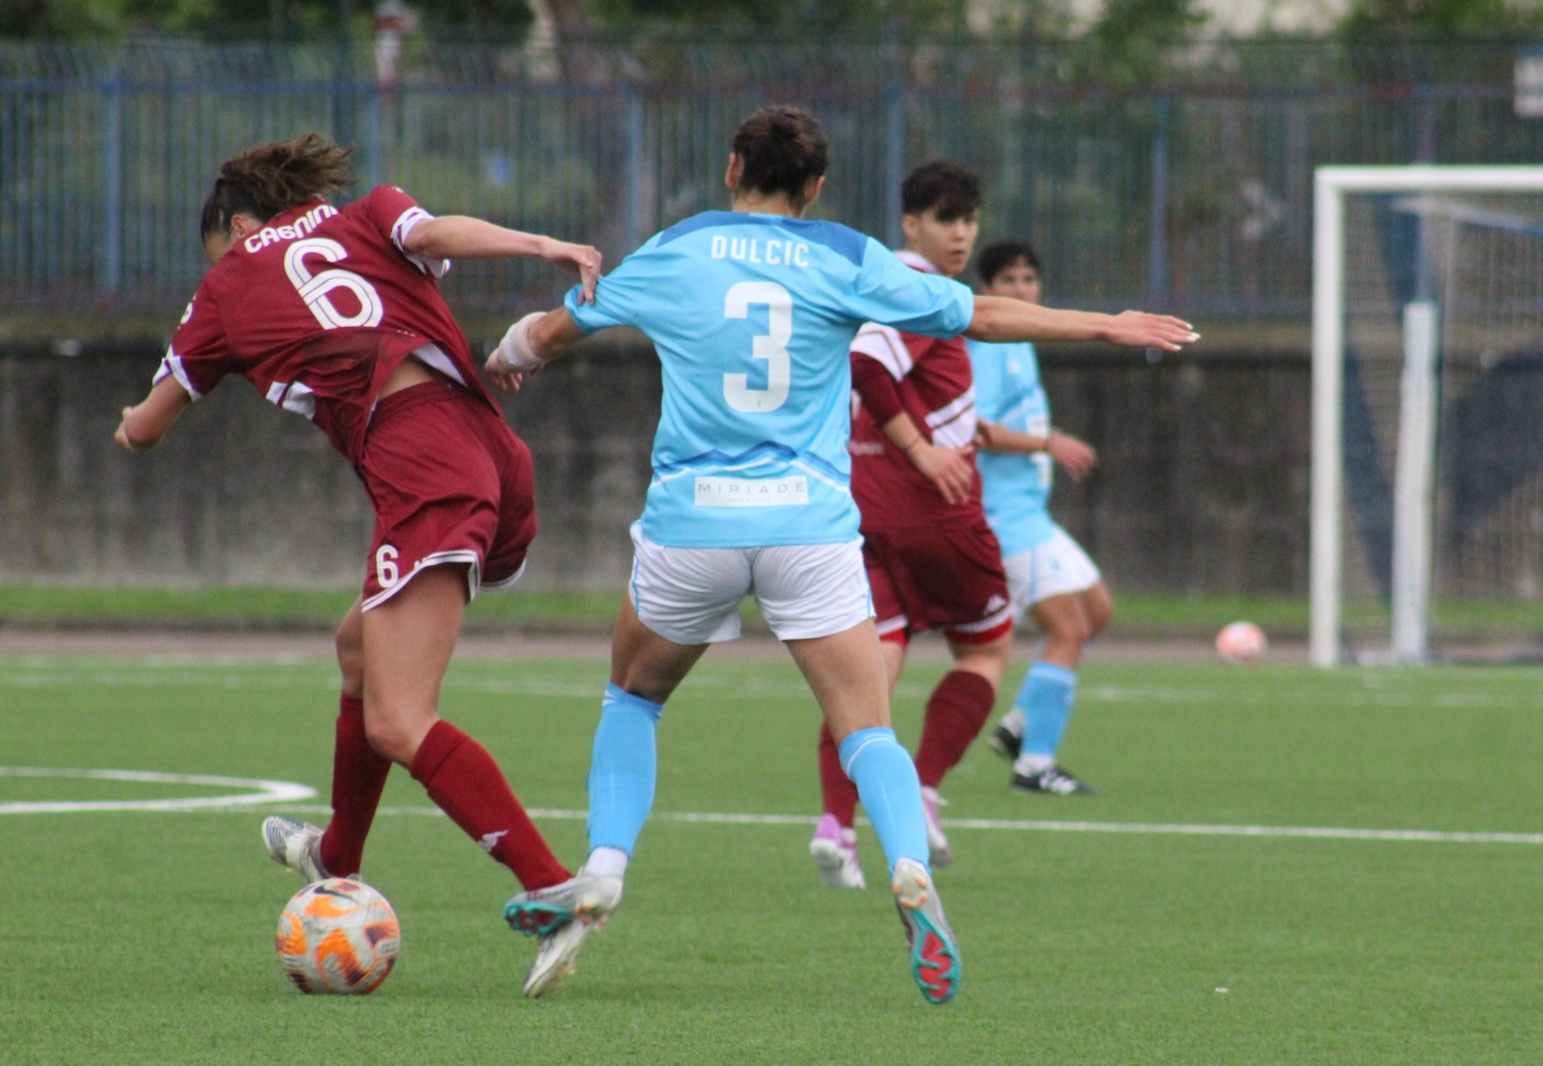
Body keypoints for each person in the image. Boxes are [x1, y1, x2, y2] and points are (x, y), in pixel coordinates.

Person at [483, 106, 1198, 1004]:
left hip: (692, 527)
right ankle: (908, 868)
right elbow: (975, 314)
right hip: (809, 530)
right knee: (867, 728)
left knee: (633, 696)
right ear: (816, 187)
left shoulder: (680, 246)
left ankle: (604, 869)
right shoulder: (847, 256)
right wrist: (1106, 325)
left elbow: (549, 333)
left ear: (732, 164)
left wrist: (505, 358)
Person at [111, 133, 605, 992]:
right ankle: (337, 854)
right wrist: (543, 245)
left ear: (233, 226)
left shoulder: (223, 288)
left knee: (398, 720)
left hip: (424, 468)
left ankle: (553, 888)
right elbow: (439, 233)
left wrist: (127, 419)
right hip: (492, 451)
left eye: (218, 249)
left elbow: (147, 428)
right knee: (357, 650)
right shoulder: (366, 213)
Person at [808, 159, 1013, 888]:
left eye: (969, 220)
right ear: (911, 224)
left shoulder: (865, 282)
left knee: (863, 684)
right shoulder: (923, 290)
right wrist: (925, 452)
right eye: (945, 219)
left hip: (864, 513)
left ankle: (836, 826)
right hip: (938, 518)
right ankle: (922, 788)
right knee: (988, 649)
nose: (960, 234)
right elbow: (869, 366)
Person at [970, 239, 1112, 795]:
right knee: (1068, 629)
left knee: (1097, 611)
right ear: (988, 291)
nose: (1022, 290)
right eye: (1009, 282)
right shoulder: (987, 348)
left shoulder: (1023, 343)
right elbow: (975, 428)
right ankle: (1034, 765)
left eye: (1030, 279)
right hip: (1002, 518)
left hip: (1031, 513)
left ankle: (1018, 726)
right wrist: (1047, 443)